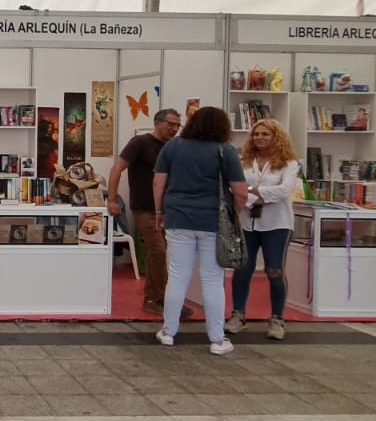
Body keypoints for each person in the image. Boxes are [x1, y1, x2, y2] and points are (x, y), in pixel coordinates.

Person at [152, 106, 247, 355]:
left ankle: (168, 332)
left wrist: (159, 212)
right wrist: (233, 215)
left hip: (178, 218)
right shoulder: (225, 151)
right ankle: (217, 339)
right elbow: (240, 192)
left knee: (177, 277)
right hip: (212, 222)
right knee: (213, 280)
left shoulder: (172, 147)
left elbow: (158, 182)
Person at [227, 119, 301, 340]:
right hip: (247, 223)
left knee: (274, 270)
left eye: (265, 134)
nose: (260, 138)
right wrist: (252, 199)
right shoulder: (243, 160)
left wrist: (255, 193)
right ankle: (238, 315)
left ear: (275, 136)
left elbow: (284, 190)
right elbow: (235, 187)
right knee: (242, 269)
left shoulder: (289, 162)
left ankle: (277, 318)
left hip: (277, 224)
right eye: (257, 134)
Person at [108, 108, 182, 316]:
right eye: (170, 124)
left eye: (177, 125)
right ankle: (163, 299)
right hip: (144, 208)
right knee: (158, 252)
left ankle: (152, 299)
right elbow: (117, 169)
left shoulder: (174, 147)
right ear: (157, 122)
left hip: (168, 210)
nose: (174, 129)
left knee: (156, 254)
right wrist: (112, 200)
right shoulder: (139, 142)